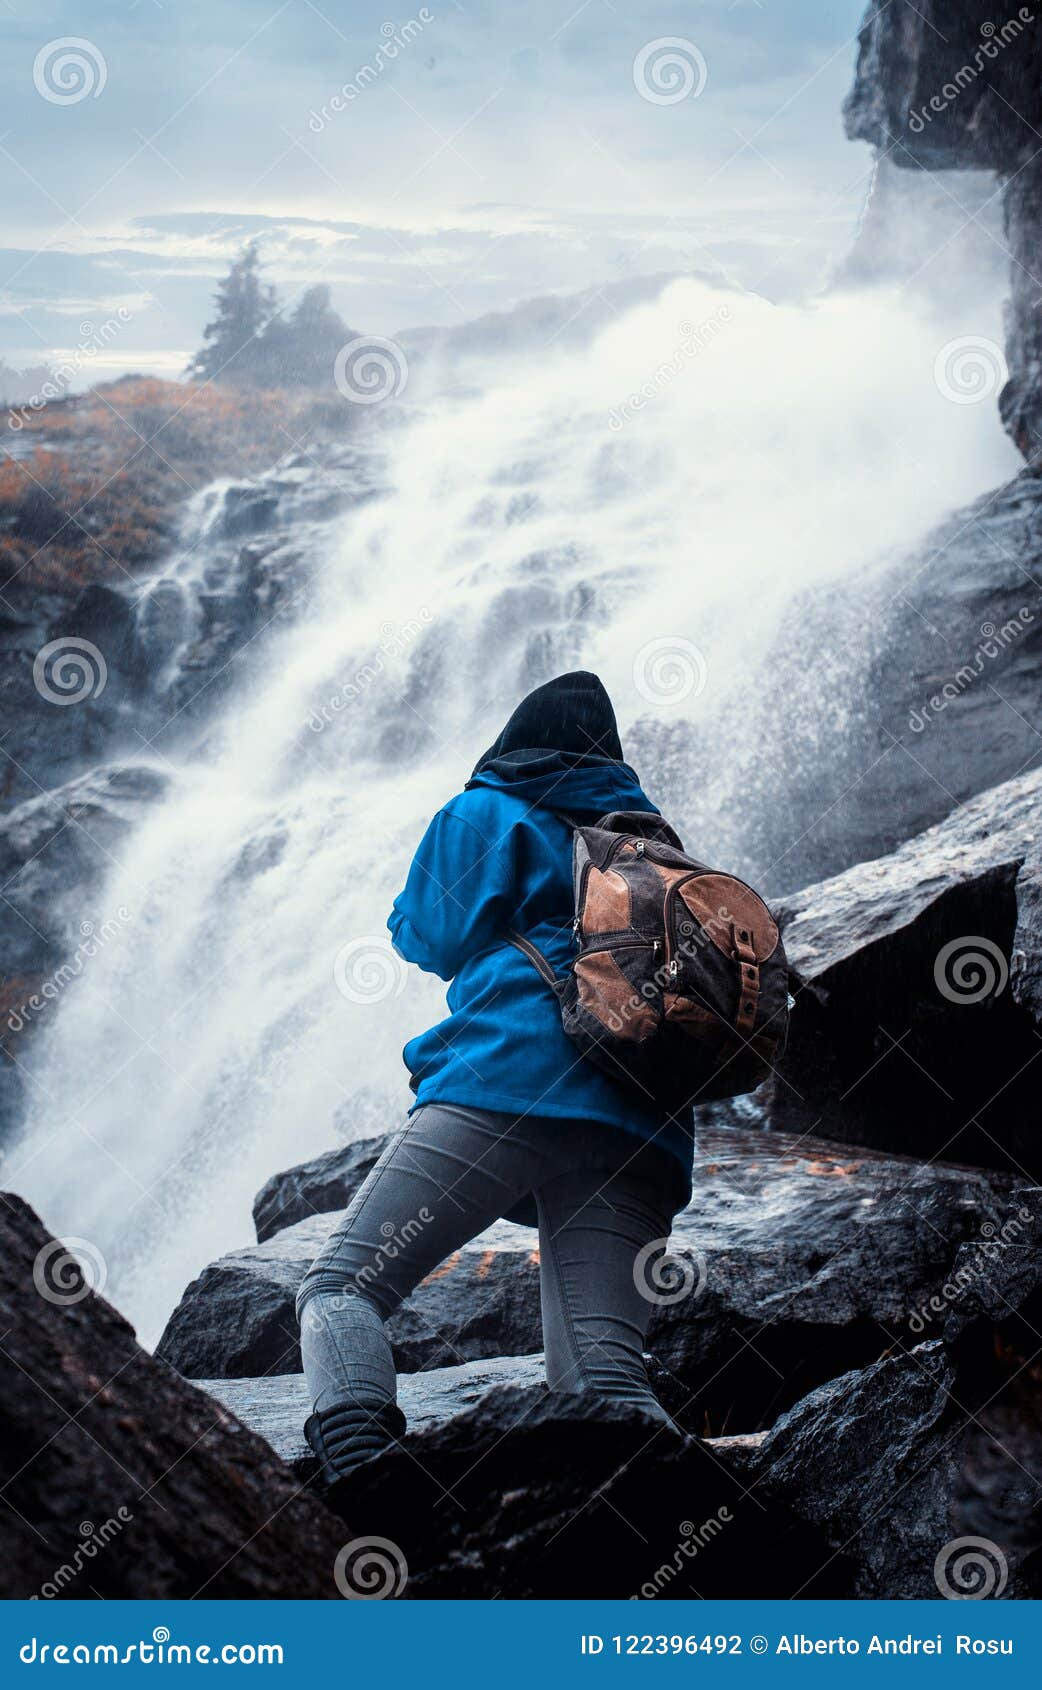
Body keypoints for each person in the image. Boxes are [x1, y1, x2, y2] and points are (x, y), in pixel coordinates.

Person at [295, 671, 694, 1496]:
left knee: (341, 1289)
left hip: (511, 1082)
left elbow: (431, 934)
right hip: (644, 1116)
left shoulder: (490, 806)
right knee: (607, 1381)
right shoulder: (655, 846)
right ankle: (677, 1544)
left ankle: (371, 1487)